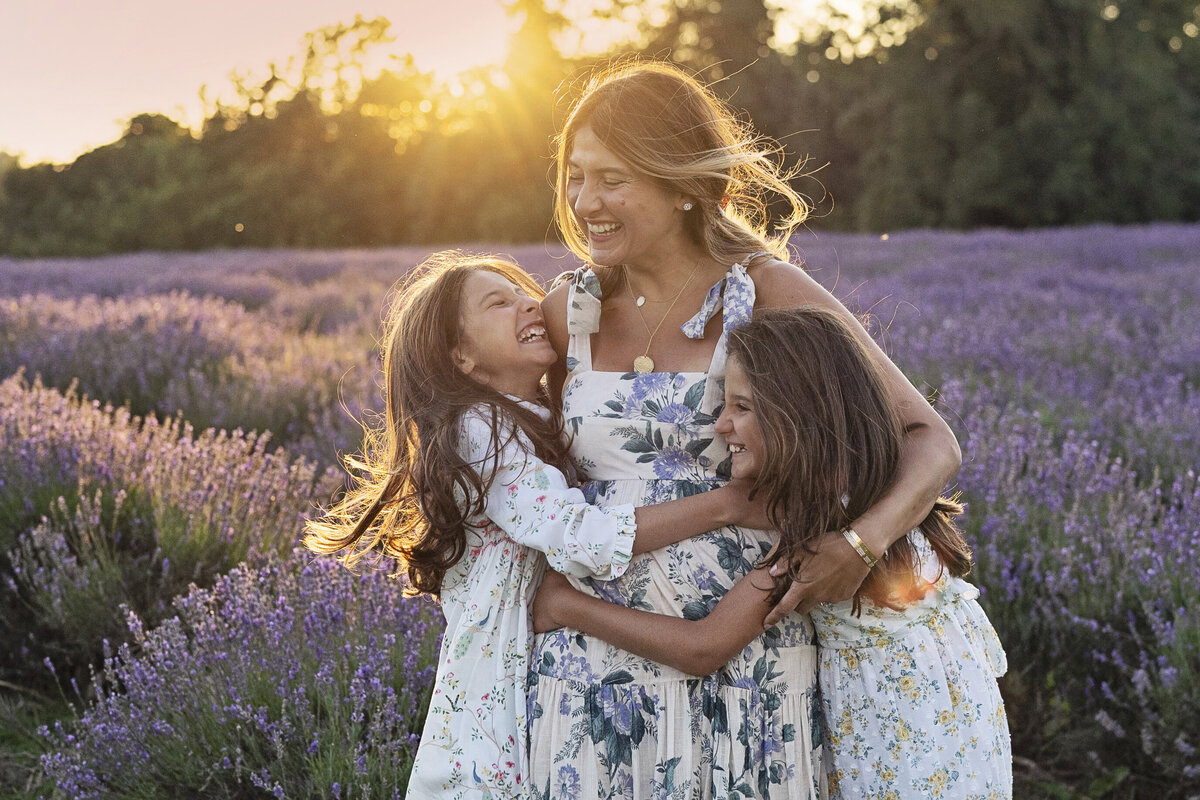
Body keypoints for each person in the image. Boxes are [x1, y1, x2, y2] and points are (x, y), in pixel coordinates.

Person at [527, 60, 962, 799]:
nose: (585, 201)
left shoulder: (763, 290)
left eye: (614, 179)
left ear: (683, 187)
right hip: (590, 661)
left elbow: (931, 439)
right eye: (576, 175)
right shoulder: (568, 306)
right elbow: (505, 448)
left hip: (746, 661)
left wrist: (858, 544)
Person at [302, 251, 769, 799]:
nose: (529, 302)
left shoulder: (536, 419)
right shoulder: (480, 431)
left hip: (543, 674)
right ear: (461, 357)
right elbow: (579, 538)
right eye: (497, 303)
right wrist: (728, 505)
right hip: (497, 692)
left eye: (522, 291)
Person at [533, 306, 1013, 798]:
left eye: (741, 407)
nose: (720, 426)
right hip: (958, 715)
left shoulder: (819, 526)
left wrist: (568, 606)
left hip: (898, 743)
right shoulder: (875, 482)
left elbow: (703, 648)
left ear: (799, 414)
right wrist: (729, 505)